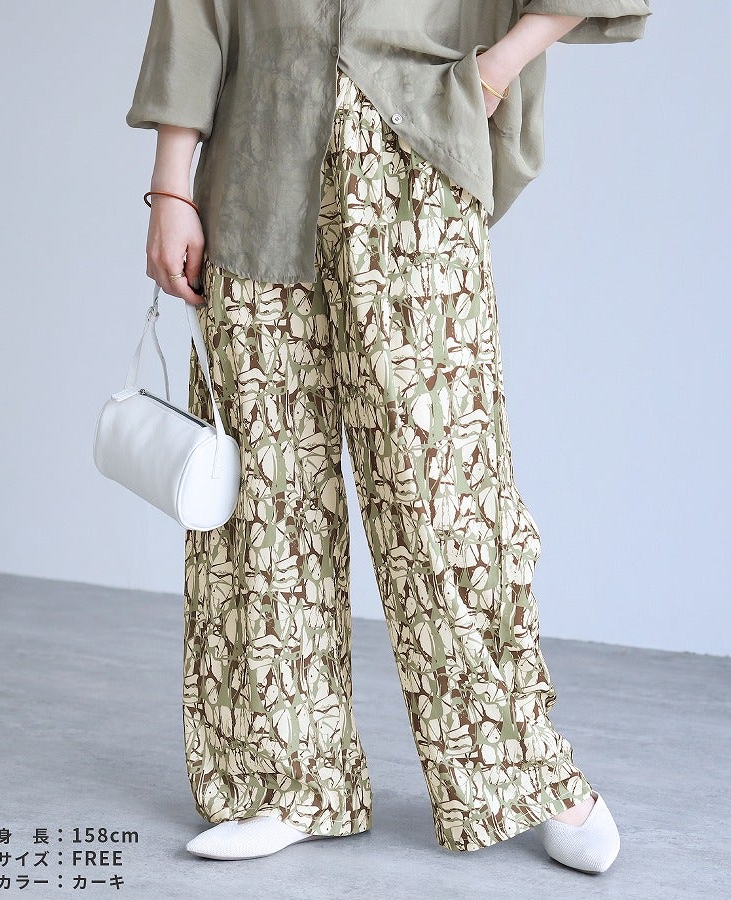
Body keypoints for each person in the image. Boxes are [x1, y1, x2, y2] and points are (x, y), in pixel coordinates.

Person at [126, 0, 652, 874]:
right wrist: (172, 186)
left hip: (413, 160)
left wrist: (495, 72)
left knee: (441, 497)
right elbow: (195, 11)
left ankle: (524, 772)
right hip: (257, 164)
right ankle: (290, 779)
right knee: (264, 500)